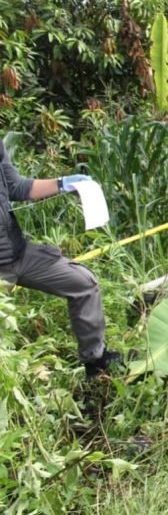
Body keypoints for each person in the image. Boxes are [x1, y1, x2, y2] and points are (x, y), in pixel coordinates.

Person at [0, 143, 121, 379]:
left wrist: (64, 183)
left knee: (83, 283)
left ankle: (95, 363)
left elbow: (16, 186)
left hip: (19, 253)